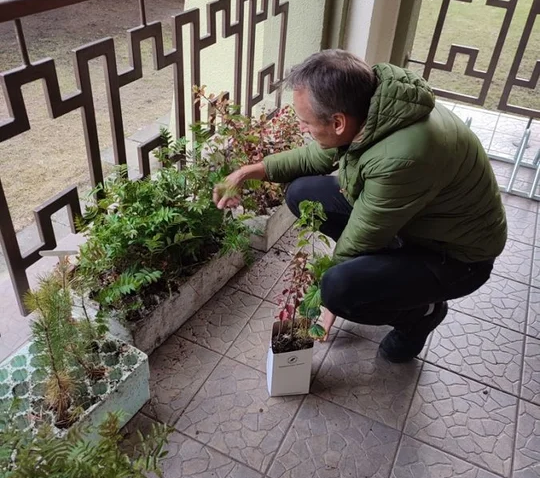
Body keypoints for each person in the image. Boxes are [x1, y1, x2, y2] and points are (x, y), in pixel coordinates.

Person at [213, 50, 507, 363]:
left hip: (457, 257)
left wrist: (323, 302)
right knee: (303, 192)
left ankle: (422, 313)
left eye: (304, 122)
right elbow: (316, 157)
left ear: (338, 122)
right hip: (413, 219)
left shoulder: (403, 156)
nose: (302, 129)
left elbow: (365, 234)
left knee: (340, 289)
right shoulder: (376, 105)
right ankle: (386, 272)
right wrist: (249, 171)